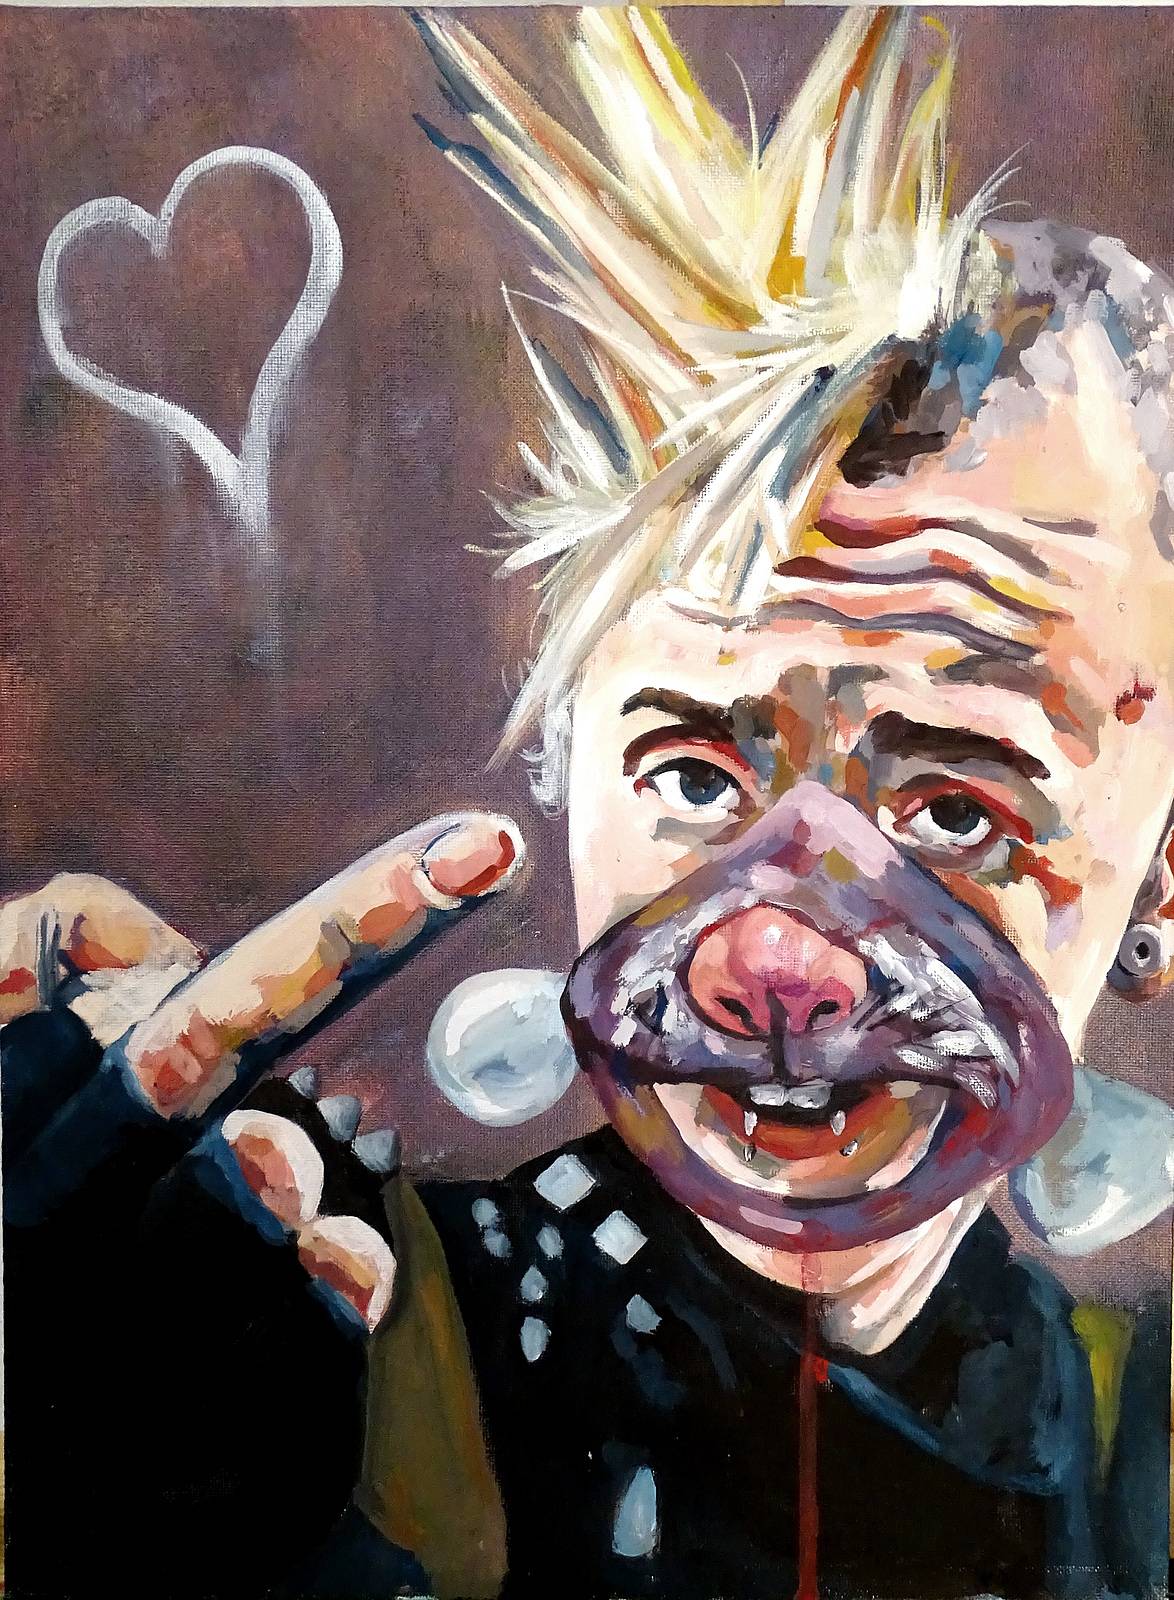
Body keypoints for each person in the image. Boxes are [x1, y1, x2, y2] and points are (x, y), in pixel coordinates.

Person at [4, 9, 1172, 1598]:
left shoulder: (1137, 1456)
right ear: (566, 785)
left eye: (954, 810)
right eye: (693, 777)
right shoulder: (308, 1355)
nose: (777, 967)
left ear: (1157, 886)